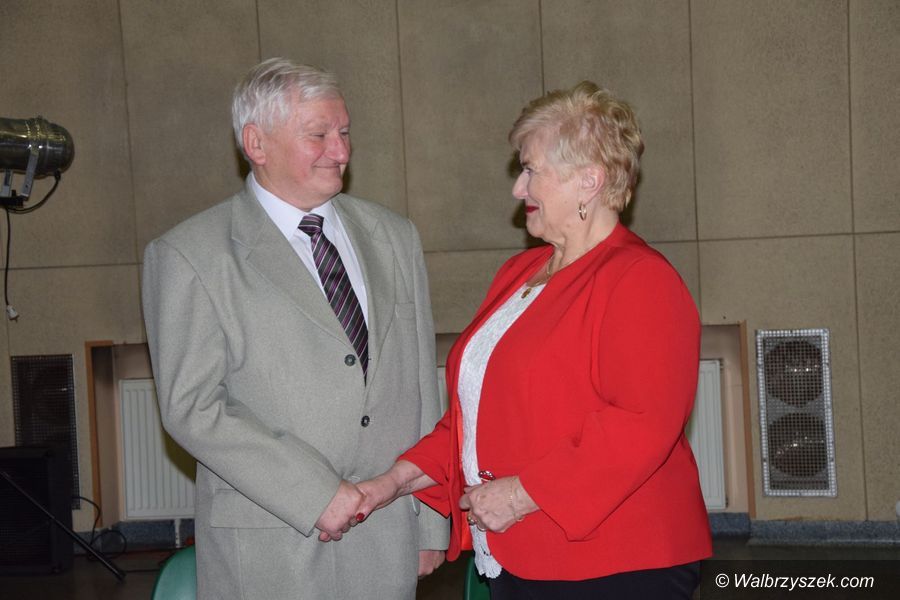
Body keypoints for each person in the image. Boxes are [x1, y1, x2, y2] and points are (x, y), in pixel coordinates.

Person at [356, 81, 712, 599]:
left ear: (589, 180)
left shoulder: (639, 279)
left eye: (531, 170)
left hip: (614, 563)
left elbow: (640, 423)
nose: (518, 189)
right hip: (523, 554)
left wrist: (520, 496)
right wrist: (394, 481)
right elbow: (472, 419)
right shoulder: (518, 273)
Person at [141, 58, 448, 600]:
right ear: (256, 144)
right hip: (270, 547)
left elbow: (422, 386)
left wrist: (429, 523)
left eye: (345, 132)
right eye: (318, 135)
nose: (341, 151)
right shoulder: (190, 254)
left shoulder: (395, 236)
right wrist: (315, 493)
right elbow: (193, 407)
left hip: (388, 538)